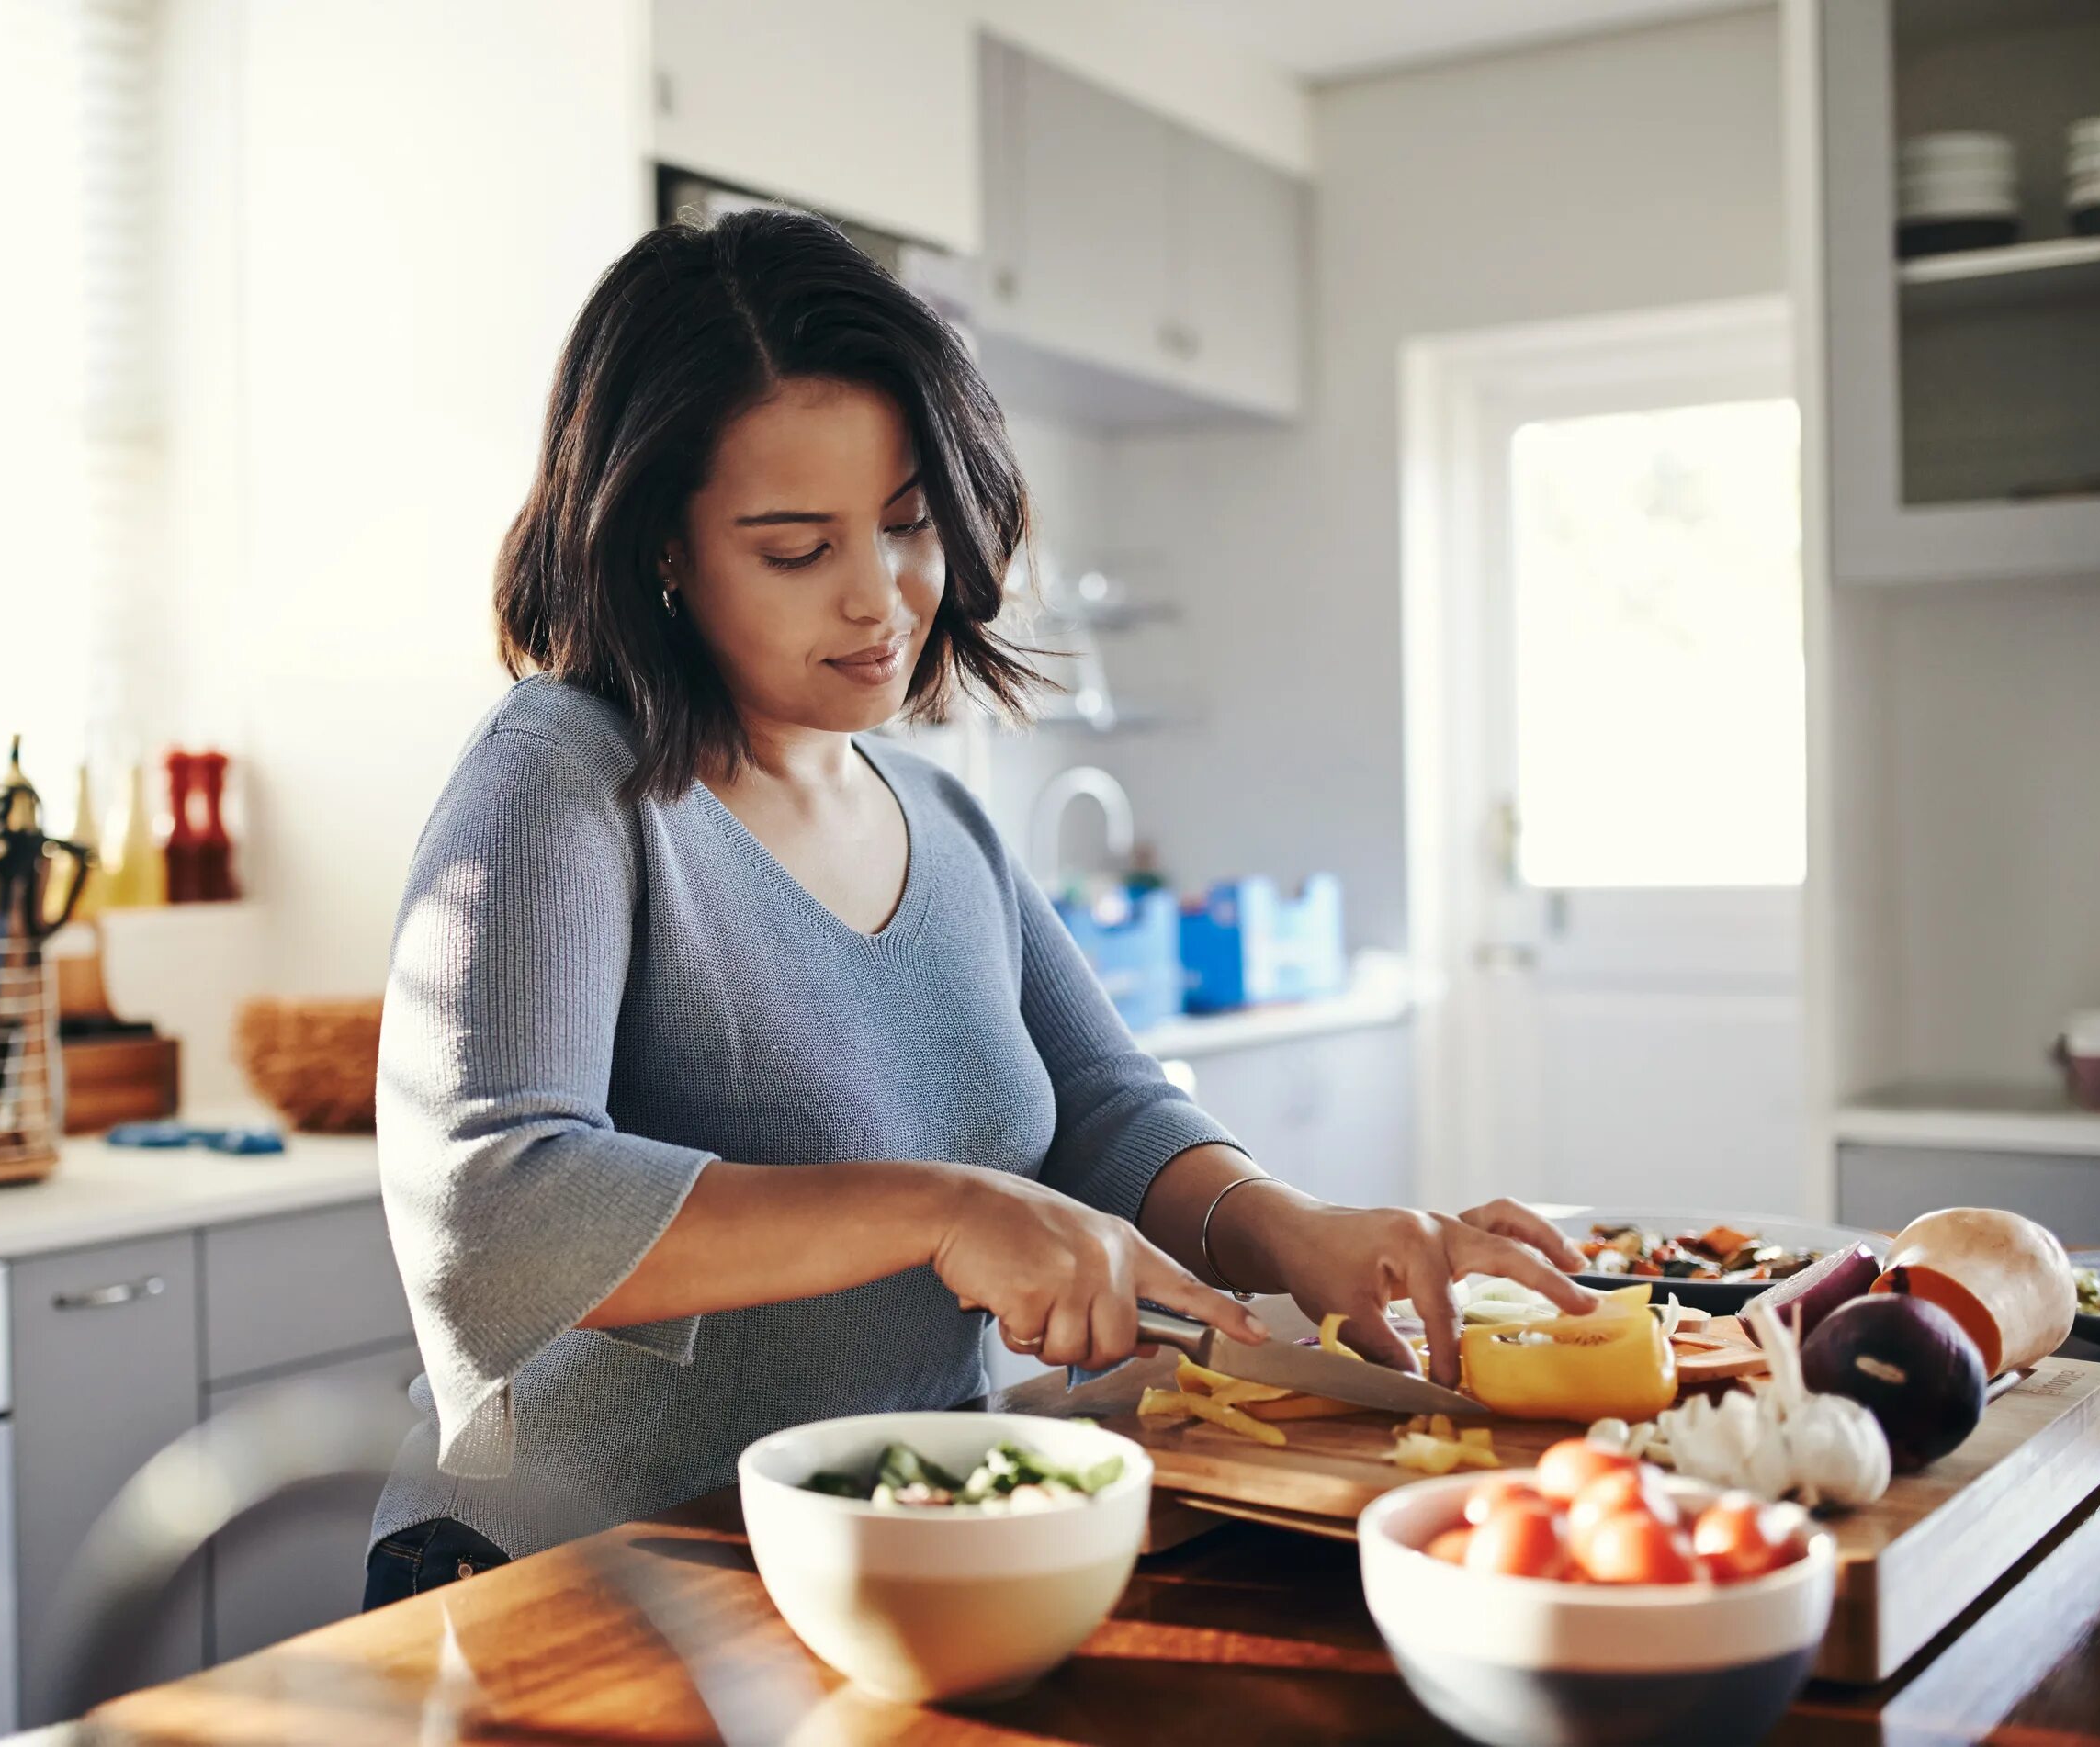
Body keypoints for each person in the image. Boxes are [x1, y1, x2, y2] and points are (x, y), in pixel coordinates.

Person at [365, 209, 1593, 1609]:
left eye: (907, 524)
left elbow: (1107, 1113)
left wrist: (1292, 1232)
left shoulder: (937, 816)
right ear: (660, 546)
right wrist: (941, 1207)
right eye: (793, 548)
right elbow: (489, 1205)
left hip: (877, 1562)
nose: (882, 597)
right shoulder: (559, 778)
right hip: (578, 1578)